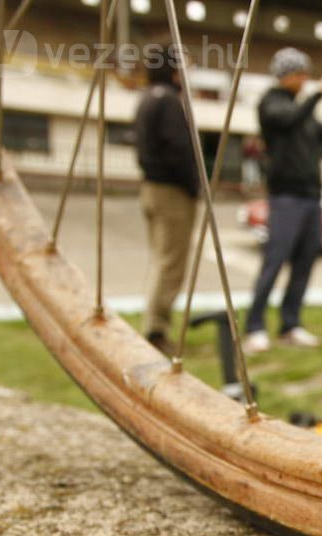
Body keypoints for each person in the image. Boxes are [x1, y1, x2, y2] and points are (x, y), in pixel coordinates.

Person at [243, 47, 322, 353]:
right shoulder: (272, 104)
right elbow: (288, 120)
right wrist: (319, 94)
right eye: (301, 74)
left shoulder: (304, 112)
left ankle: (290, 324)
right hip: (286, 196)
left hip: (311, 196)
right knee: (274, 261)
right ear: (285, 75)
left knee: (305, 261)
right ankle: (255, 326)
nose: (305, 80)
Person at [134, 44, 199, 355]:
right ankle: (156, 331)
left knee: (160, 259)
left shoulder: (147, 97)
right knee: (171, 262)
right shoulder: (169, 101)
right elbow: (179, 150)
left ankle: (153, 323)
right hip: (171, 191)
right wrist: (194, 186)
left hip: (150, 187)